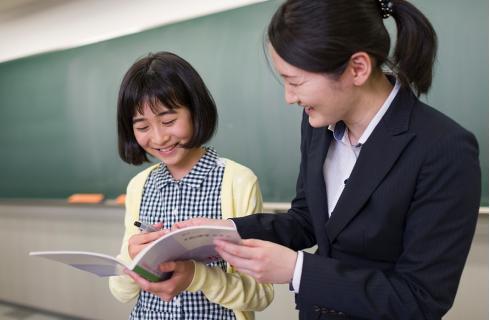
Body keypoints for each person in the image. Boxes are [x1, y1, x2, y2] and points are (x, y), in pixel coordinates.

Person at [172, 1, 481, 319]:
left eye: (295, 83)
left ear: (357, 68)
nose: (289, 98)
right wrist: (222, 230)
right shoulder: (318, 124)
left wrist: (297, 269)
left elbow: (420, 299)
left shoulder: (444, 149)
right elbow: (306, 220)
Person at [108, 51, 273, 320]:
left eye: (168, 121)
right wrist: (131, 259)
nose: (159, 137)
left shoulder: (237, 181)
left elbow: (260, 295)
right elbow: (121, 293)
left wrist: (198, 277)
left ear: (195, 111)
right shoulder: (139, 186)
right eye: (142, 126)